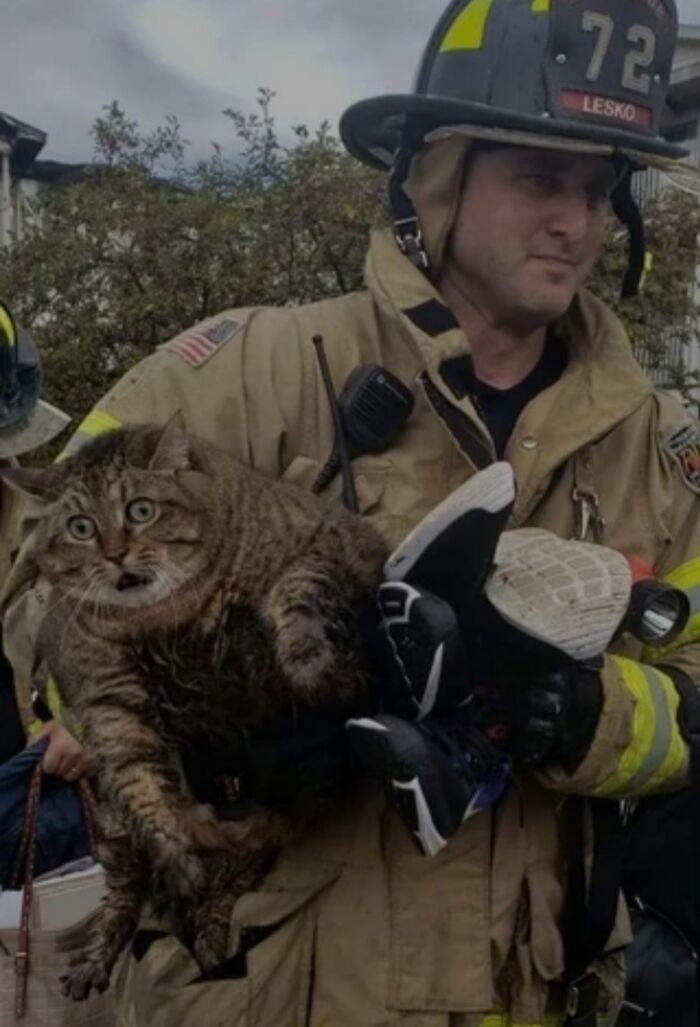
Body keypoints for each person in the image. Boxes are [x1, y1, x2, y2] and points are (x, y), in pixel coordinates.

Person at [3, 0, 700, 1023]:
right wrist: (243, 712)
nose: (579, 222)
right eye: (542, 178)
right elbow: (37, 598)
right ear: (438, 177)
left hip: (532, 985)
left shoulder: (650, 443)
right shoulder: (245, 373)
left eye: (601, 189)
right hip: (277, 989)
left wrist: (590, 714)